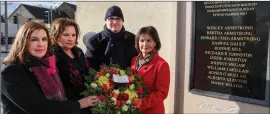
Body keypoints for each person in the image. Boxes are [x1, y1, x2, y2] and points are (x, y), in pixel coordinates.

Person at [1, 22, 97, 114]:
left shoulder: (44, 63)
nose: (41, 44)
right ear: (23, 41)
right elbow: (39, 108)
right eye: (34, 39)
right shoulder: (12, 71)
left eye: (44, 39)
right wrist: (79, 104)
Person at [50, 18, 93, 114]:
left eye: (73, 35)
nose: (71, 39)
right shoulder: (53, 57)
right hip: (71, 106)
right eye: (66, 35)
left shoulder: (78, 52)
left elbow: (88, 72)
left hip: (88, 101)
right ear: (56, 35)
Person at [130, 26, 170, 114]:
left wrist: (140, 104)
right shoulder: (134, 60)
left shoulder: (162, 64)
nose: (145, 44)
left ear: (155, 43)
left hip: (151, 110)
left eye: (149, 40)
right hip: (133, 109)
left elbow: (161, 93)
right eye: (142, 41)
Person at [85, 5, 137, 70]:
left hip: (129, 79)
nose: (114, 22)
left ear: (122, 21)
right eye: (111, 19)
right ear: (106, 21)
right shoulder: (94, 41)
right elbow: (90, 67)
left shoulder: (133, 39)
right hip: (102, 79)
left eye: (118, 19)